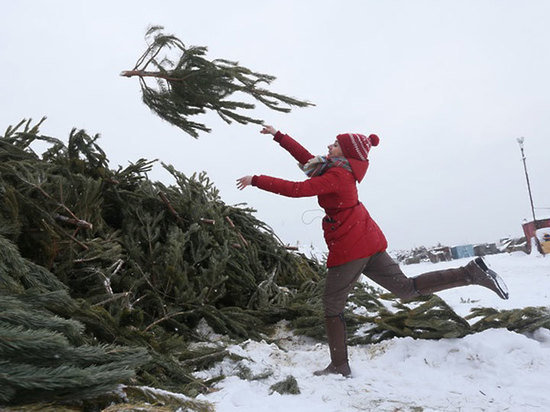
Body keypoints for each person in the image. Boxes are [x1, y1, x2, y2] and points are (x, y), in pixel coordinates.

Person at [237, 125, 509, 377]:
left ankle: (339, 365)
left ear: (345, 152)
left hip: (350, 246)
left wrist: (256, 180)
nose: (328, 146)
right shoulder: (334, 169)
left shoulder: (336, 175)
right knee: (406, 288)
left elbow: (297, 190)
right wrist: (278, 136)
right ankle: (471, 272)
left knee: (332, 305)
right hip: (367, 240)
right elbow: (307, 158)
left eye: (334, 144)